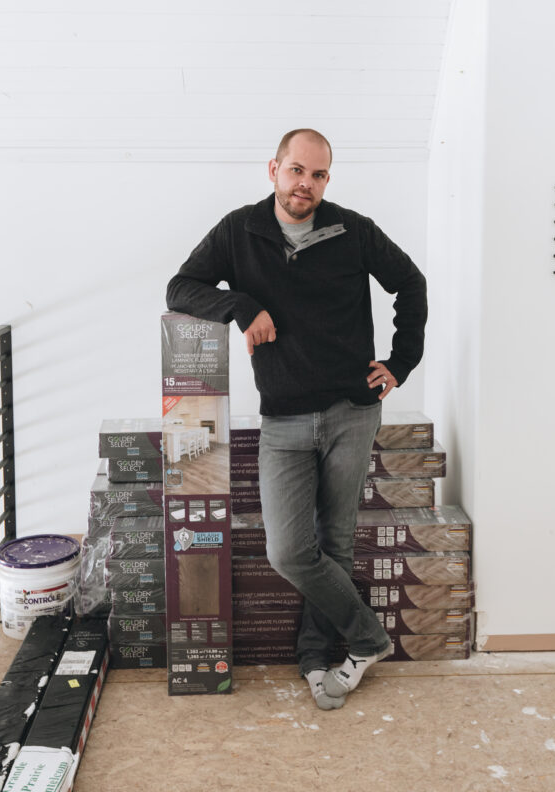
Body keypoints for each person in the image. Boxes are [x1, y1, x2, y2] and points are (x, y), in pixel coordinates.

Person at [166, 128, 427, 709]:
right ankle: (369, 639)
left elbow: (410, 283)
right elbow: (181, 286)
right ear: (274, 170)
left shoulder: (352, 229)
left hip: (352, 411)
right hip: (283, 417)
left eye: (318, 174)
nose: (305, 183)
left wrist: (400, 362)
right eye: (296, 171)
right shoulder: (240, 230)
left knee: (334, 545)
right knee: (288, 551)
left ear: (327, 179)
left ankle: (318, 659)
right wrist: (242, 306)